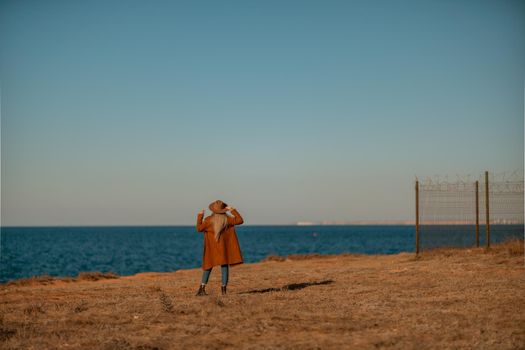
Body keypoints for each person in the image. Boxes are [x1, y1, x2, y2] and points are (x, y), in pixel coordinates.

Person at [195, 200, 244, 296]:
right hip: (223, 250)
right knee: (224, 267)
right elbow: (240, 220)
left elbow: (199, 228)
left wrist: (200, 216)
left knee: (208, 266)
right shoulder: (227, 220)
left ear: (213, 209)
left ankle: (202, 289)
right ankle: (223, 290)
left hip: (212, 249)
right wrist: (233, 210)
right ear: (223, 209)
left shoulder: (208, 220)